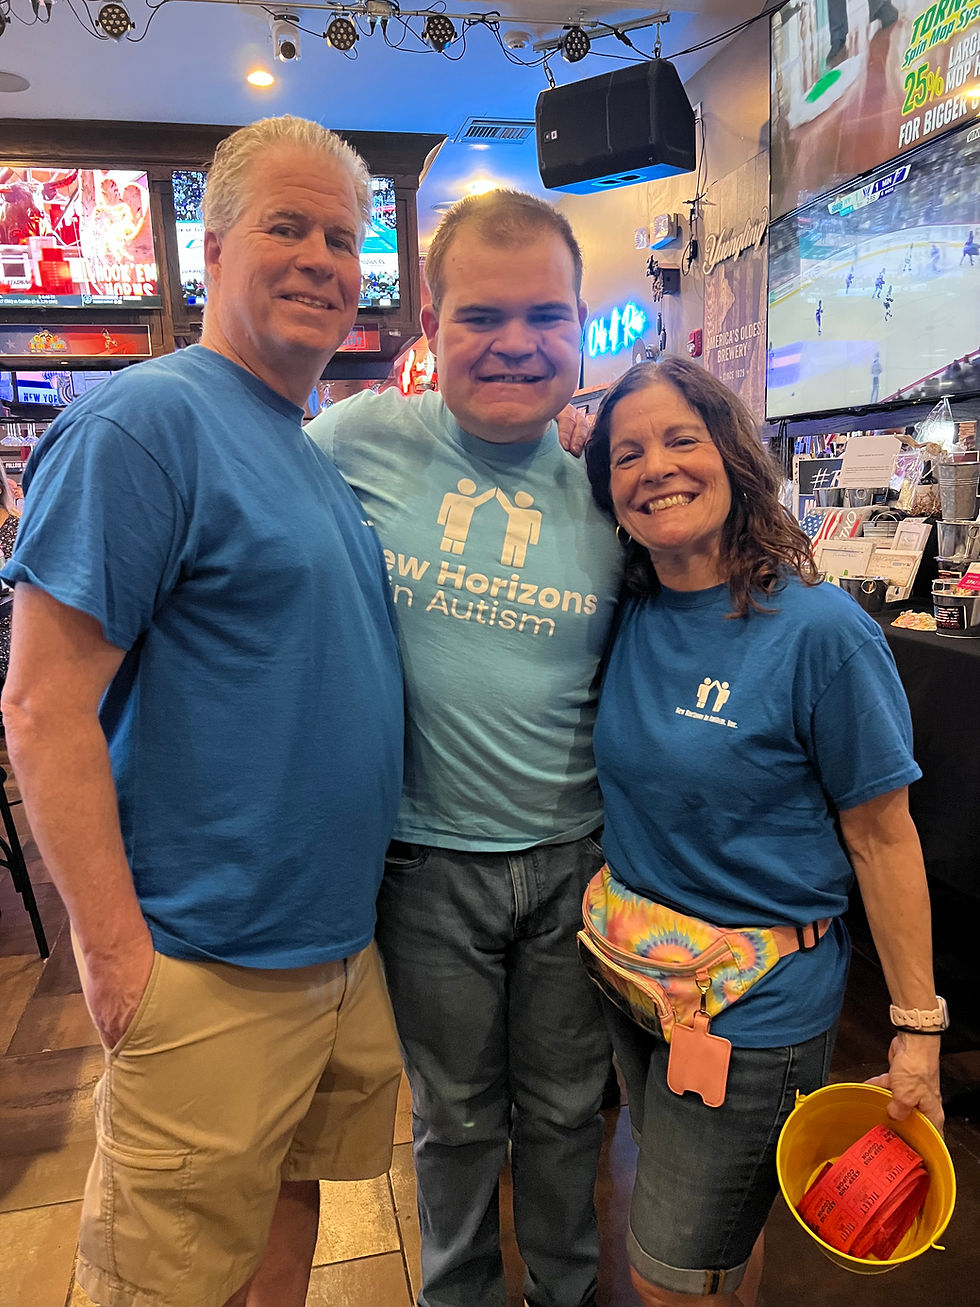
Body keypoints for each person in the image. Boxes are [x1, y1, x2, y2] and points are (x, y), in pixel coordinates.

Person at [0, 115, 405, 1307]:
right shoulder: (144, 423)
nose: (321, 259)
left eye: (341, 236)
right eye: (287, 225)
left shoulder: (299, 443)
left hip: (329, 946)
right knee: (165, 1275)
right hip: (207, 956)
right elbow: (39, 706)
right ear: (214, 249)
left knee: (286, 1201)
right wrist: (116, 949)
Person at [306, 189, 623, 1307]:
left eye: (547, 314)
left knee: (564, 1111)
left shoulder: (610, 472)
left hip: (578, 861)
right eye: (482, 316)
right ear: (430, 324)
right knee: (452, 1118)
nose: (516, 343)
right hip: (418, 861)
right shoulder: (350, 440)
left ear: (582, 324)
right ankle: (457, 1296)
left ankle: (566, 1292)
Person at [582, 358, 943, 1307]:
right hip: (640, 983)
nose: (654, 466)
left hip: (756, 1012)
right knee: (717, 1250)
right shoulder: (628, 611)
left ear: (736, 457)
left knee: (665, 1278)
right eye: (627, 453)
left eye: (680, 439)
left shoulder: (820, 632)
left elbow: (883, 839)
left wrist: (916, 1033)